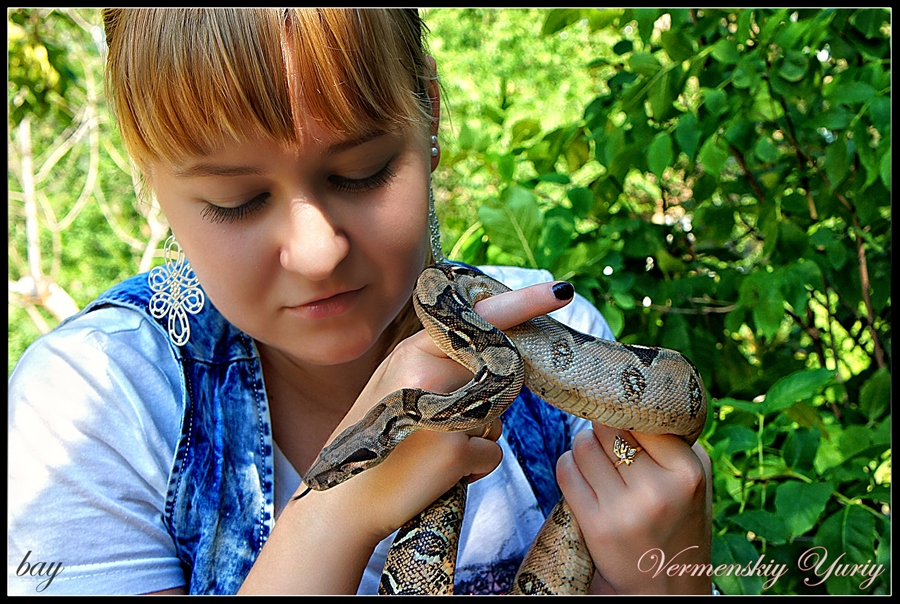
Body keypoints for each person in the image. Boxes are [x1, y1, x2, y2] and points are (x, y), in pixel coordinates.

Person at [8, 8, 712, 595]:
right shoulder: (89, 411)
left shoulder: (550, 333)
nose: (318, 253)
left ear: (429, 113)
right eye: (237, 199)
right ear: (149, 176)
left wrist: (667, 580)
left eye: (361, 172)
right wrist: (335, 514)